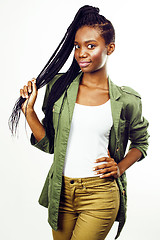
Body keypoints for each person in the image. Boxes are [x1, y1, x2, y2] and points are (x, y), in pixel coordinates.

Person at [11, 5, 149, 240]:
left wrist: (120, 166)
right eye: (77, 46)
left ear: (110, 48)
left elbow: (141, 143)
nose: (81, 53)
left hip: (100, 194)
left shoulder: (126, 100)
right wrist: (29, 112)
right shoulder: (59, 87)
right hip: (61, 193)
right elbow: (50, 145)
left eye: (91, 46)